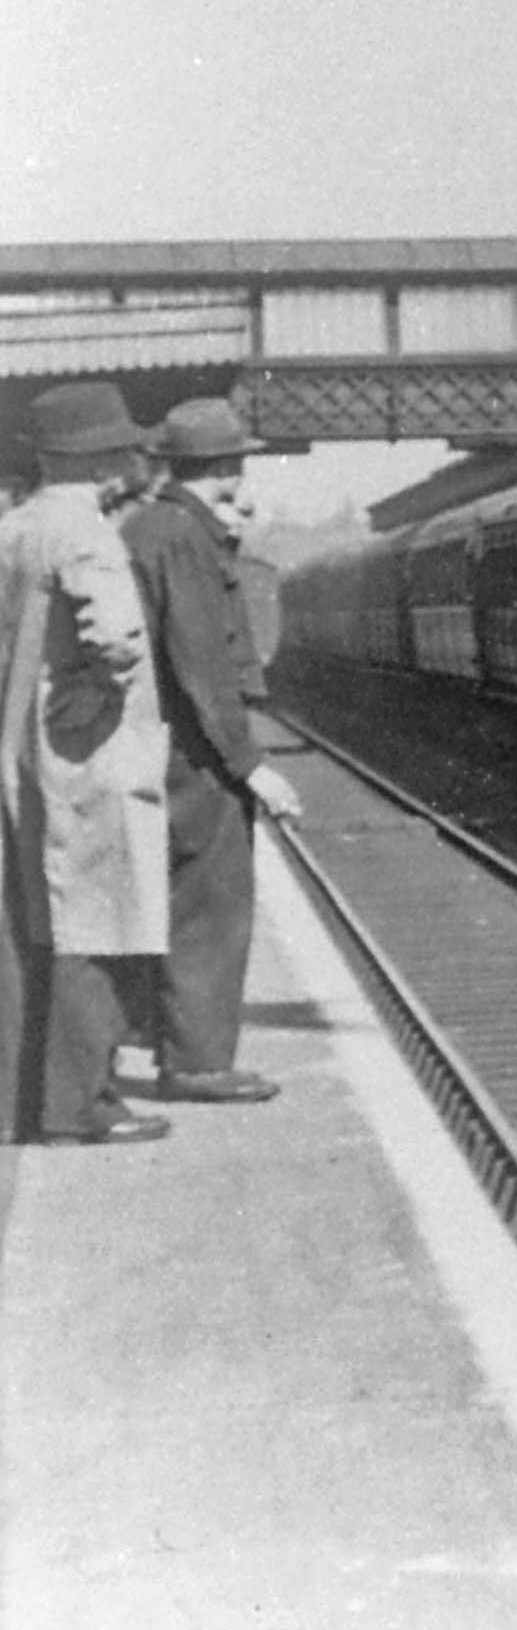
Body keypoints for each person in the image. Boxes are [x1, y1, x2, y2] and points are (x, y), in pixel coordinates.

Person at [0, 383, 175, 1144]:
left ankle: (28, 1101)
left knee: (38, 925)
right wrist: (93, 692)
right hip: (90, 754)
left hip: (25, 751)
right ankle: (84, 1105)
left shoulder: (15, 527)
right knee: (95, 924)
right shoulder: (88, 533)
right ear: (100, 456)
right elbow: (116, 638)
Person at [122, 397, 301, 1103]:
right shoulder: (183, 538)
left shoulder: (156, 527)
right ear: (225, 468)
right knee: (210, 904)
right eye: (236, 465)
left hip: (166, 746)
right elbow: (201, 661)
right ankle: (198, 1062)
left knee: (180, 901)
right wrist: (250, 764)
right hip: (193, 759)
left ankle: (177, 1049)